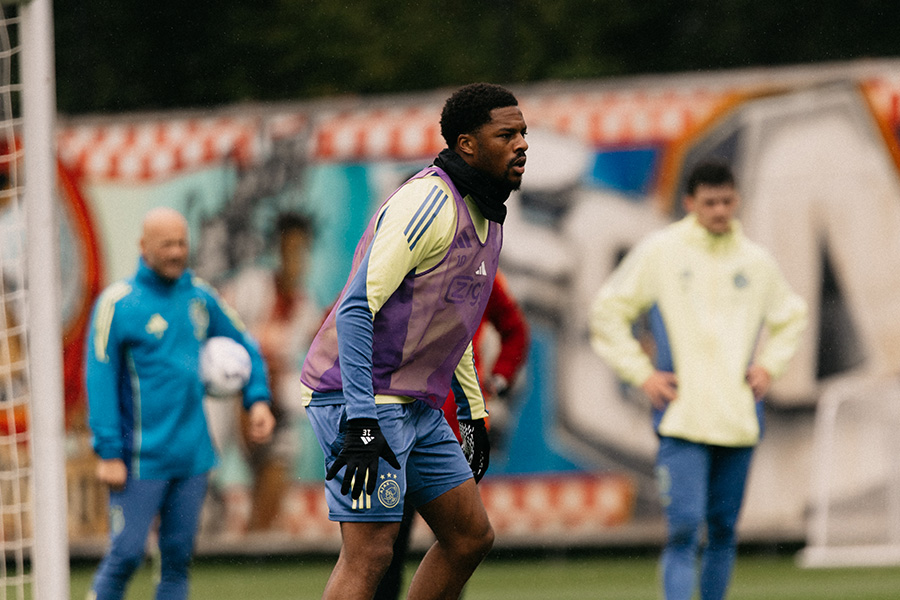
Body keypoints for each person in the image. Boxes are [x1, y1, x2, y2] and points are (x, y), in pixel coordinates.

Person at [300, 82, 527, 600]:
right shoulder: (427, 202)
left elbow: (455, 325)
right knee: (370, 554)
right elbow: (354, 309)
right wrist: (361, 420)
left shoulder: (487, 215)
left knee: (469, 537)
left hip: (417, 405)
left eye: (523, 134)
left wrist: (472, 415)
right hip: (360, 398)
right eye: (506, 135)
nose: (521, 145)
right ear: (467, 144)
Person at [589, 159, 808, 600]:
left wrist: (769, 366)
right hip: (680, 419)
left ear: (737, 200)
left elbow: (792, 316)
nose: (720, 210)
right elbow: (607, 311)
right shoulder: (662, 252)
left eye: (726, 201)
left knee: (723, 529)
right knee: (684, 528)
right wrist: (642, 374)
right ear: (690, 203)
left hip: (737, 419)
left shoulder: (755, 261)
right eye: (710, 202)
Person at [85, 207, 276, 600]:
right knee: (125, 555)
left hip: (192, 458)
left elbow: (246, 344)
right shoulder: (118, 304)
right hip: (138, 459)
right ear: (143, 247)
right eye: (166, 245)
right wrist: (108, 452)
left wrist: (257, 400)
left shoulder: (201, 297)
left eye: (181, 243)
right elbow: (99, 379)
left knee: (176, 560)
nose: (176, 252)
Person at [374, 269, 530, 600]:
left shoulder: (481, 270)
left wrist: (500, 377)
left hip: (456, 429)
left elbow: (515, 330)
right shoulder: (397, 261)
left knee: (460, 542)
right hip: (400, 421)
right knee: (387, 541)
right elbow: (347, 318)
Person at [206, 211, 320, 533]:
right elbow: (215, 327)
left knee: (282, 454)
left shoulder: (305, 307)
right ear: (277, 250)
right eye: (289, 250)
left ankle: (256, 544)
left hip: (271, 404)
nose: (295, 260)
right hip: (228, 394)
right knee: (204, 462)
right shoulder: (251, 286)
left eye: (301, 251)